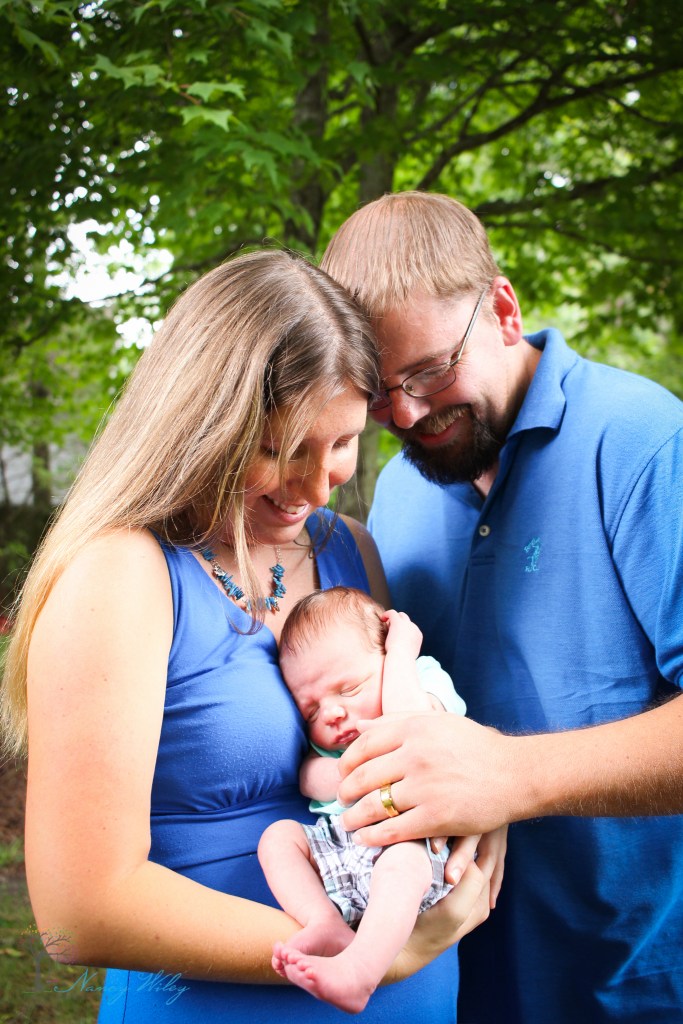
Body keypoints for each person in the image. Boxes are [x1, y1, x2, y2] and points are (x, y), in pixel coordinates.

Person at [0, 248, 495, 1024]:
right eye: (280, 450)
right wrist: (376, 955)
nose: (315, 484)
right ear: (200, 424)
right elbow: (78, 911)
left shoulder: (348, 551)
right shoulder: (122, 575)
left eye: (339, 443)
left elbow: (402, 740)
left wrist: (475, 814)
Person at [321, 191, 683, 1024]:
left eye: (429, 372)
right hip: (439, 985)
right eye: (380, 394)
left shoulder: (644, 444)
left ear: (503, 309)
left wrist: (507, 776)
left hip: (626, 988)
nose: (408, 415)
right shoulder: (403, 492)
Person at [258, 586, 468, 1013]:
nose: (332, 713)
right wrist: (345, 772)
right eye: (311, 711)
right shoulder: (338, 744)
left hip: (409, 841)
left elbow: (413, 728)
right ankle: (324, 922)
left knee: (401, 865)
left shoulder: (422, 677)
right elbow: (307, 779)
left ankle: (360, 971)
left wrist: (404, 655)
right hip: (342, 850)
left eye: (349, 688)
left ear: (388, 658)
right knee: (279, 839)